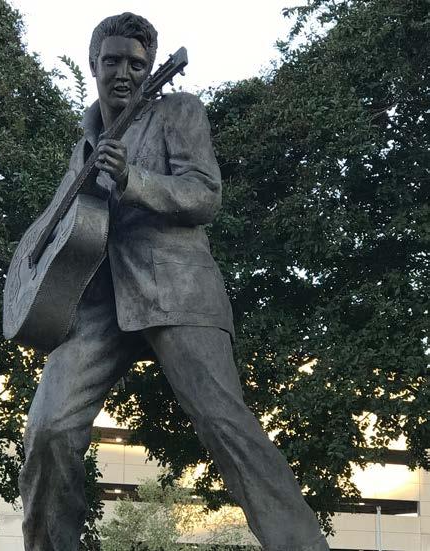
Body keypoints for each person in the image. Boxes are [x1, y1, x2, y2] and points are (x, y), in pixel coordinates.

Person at [18, 12, 330, 551]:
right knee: (46, 429)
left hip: (177, 290)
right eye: (112, 61)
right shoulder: (83, 141)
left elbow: (205, 194)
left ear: (151, 70)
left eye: (136, 64)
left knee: (224, 424)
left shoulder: (178, 112)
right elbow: (64, 223)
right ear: (93, 64)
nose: (123, 73)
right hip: (97, 302)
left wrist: (132, 178)